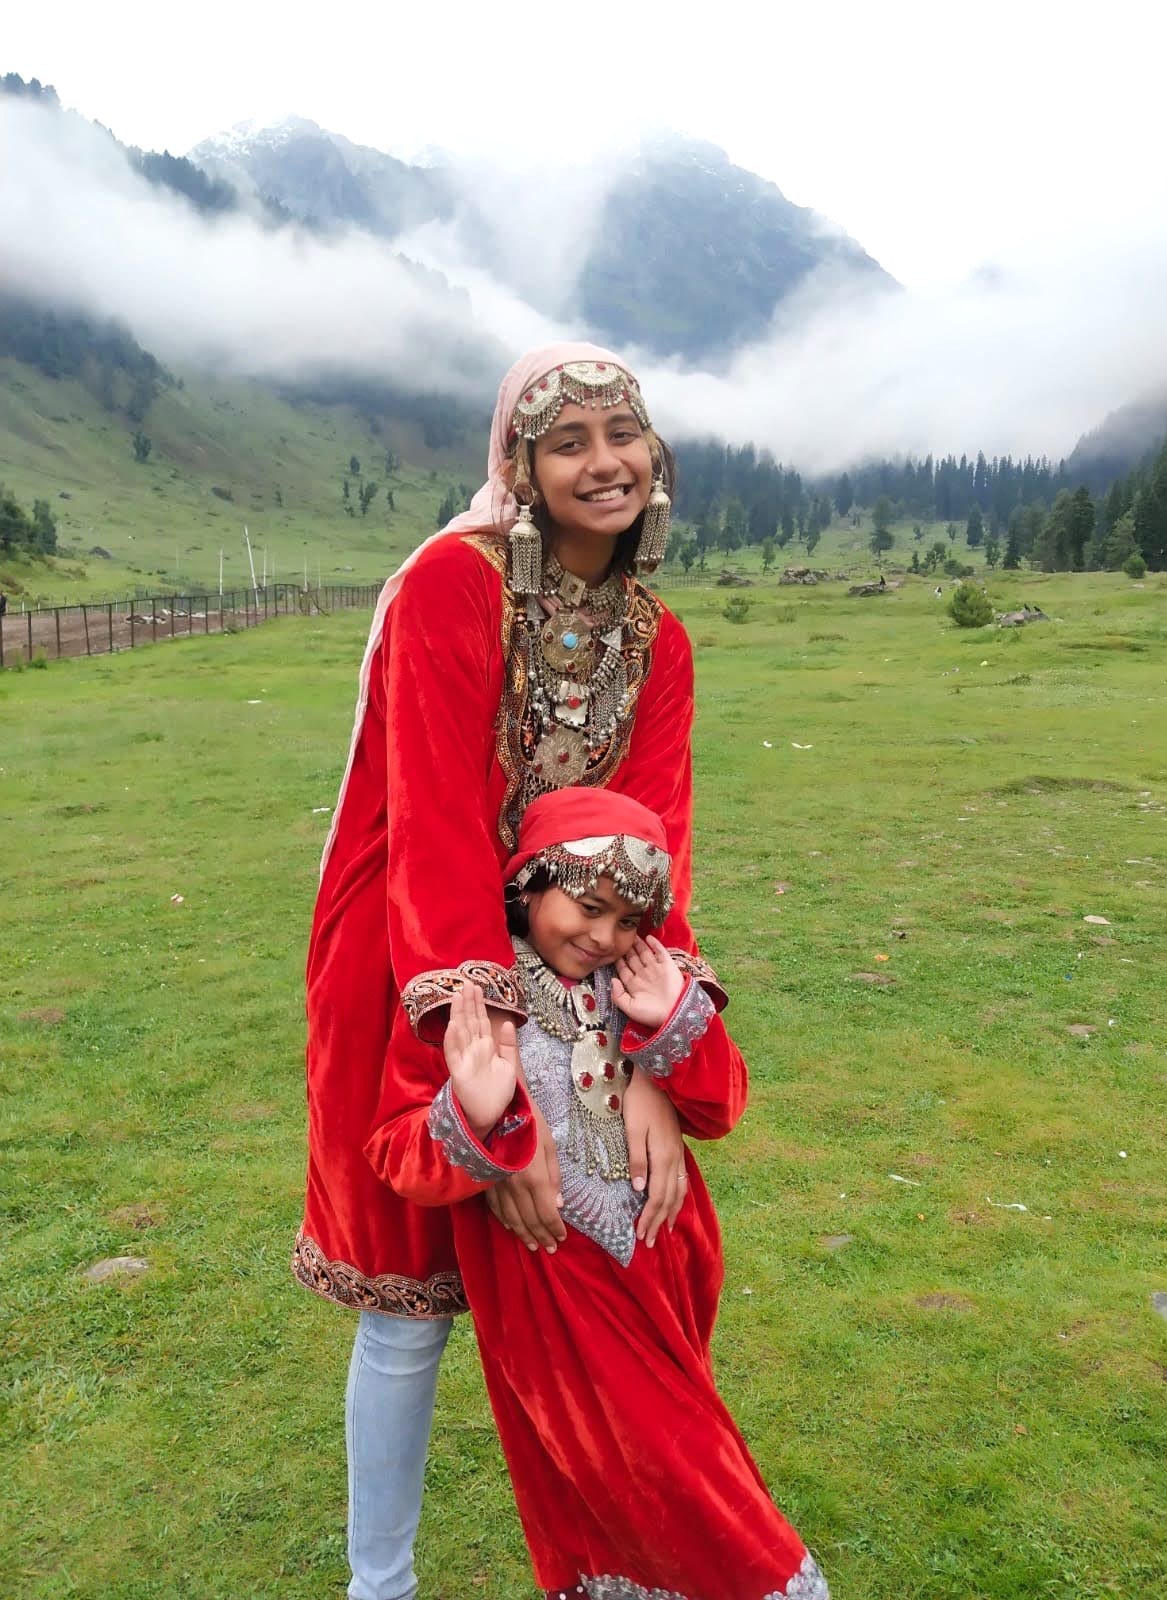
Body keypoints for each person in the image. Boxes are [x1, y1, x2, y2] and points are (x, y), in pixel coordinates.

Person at [295, 343, 725, 1600]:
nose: (604, 464)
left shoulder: (664, 640)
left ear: (656, 453)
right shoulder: (450, 585)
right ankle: (381, 1584)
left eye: (622, 434)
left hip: (586, 956)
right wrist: (485, 1064)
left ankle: (627, 1552)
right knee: (411, 1295)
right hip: (414, 965)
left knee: (630, 1237)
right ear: (519, 465)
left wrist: (651, 1066)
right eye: (569, 439)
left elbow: (656, 850)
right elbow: (428, 825)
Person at [366, 787, 829, 1600]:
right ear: (530, 882)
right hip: (556, 1283)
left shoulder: (638, 975)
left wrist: (676, 1022)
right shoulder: (475, 999)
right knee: (677, 1479)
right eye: (587, 907)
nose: (603, 936)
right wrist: (474, 1115)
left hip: (669, 1259)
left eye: (627, 921)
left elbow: (721, 1110)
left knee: (650, 1475)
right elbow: (398, 1155)